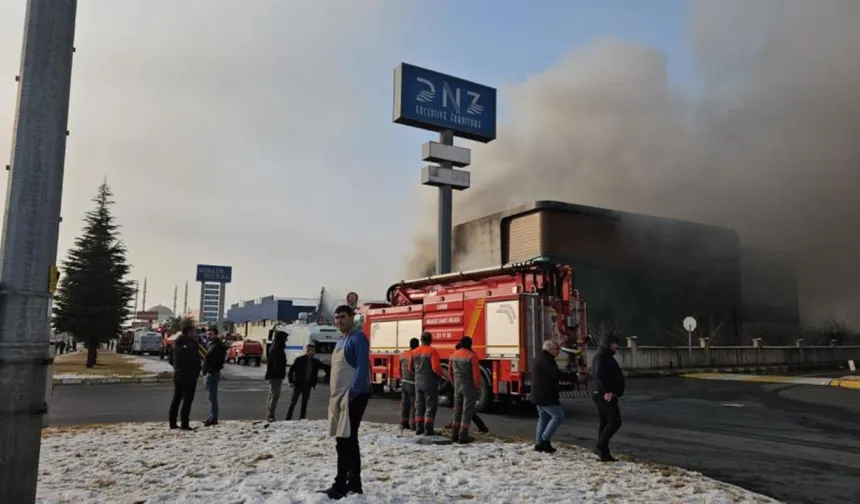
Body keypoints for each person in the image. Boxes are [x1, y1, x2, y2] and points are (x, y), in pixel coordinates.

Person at [322, 305, 371, 500]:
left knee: (344, 441)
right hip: (339, 398)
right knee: (348, 440)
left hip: (351, 397)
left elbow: (362, 368)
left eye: (342, 317)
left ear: (352, 317)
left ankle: (340, 486)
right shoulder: (341, 340)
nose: (339, 321)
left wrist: (352, 393)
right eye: (336, 318)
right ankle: (354, 484)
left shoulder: (358, 338)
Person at [532, 339, 577, 453]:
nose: (557, 352)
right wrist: (572, 377)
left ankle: (539, 443)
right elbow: (555, 374)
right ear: (550, 349)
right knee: (558, 416)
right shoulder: (547, 359)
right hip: (547, 395)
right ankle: (544, 440)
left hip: (538, 395)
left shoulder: (538, 358)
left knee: (543, 418)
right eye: (556, 349)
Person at [591, 333, 625, 462]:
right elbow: (600, 375)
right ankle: (600, 445)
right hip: (603, 394)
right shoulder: (601, 357)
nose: (617, 346)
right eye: (615, 343)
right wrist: (608, 391)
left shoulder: (605, 356)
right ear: (608, 344)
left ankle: (603, 452)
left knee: (605, 422)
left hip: (602, 393)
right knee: (615, 421)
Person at [168, 320, 202, 430]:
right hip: (189, 375)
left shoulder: (175, 343)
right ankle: (184, 423)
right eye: (193, 332)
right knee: (187, 400)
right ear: (189, 333)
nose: (195, 334)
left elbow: (170, 360)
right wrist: (196, 371)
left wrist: (177, 367)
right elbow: (196, 361)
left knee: (176, 399)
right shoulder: (192, 344)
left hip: (178, 374)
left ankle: (172, 423)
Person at [408, 331, 443, 436]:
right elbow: (436, 368)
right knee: (430, 405)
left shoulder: (414, 352)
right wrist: (439, 376)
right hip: (429, 382)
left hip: (418, 382)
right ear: (430, 340)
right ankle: (428, 428)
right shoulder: (432, 351)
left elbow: (410, 368)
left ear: (421, 340)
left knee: (419, 404)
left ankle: (419, 427)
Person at [448, 336, 482, 444]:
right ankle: (463, 435)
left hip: (457, 385)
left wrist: (454, 383)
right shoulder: (472, 356)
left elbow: (450, 372)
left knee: (457, 409)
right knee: (467, 410)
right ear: (470, 345)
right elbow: (476, 375)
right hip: (468, 386)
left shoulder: (453, 355)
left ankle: (454, 433)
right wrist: (477, 387)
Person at [287, 343, 331, 420]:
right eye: (313, 351)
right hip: (298, 384)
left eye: (314, 351)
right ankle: (288, 418)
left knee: (304, 402)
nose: (314, 353)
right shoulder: (299, 360)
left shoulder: (315, 362)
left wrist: (332, 370)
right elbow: (291, 370)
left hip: (308, 385)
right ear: (308, 351)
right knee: (293, 402)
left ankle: (302, 418)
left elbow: (325, 367)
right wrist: (291, 381)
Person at [201, 326, 228, 426]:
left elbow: (219, 361)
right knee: (210, 397)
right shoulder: (210, 344)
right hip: (208, 373)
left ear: (216, 334)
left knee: (212, 397)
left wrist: (210, 371)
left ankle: (213, 418)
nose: (209, 336)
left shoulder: (218, 345)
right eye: (208, 334)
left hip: (212, 374)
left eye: (211, 334)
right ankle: (211, 417)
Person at [264, 330, 288, 422]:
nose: (286, 340)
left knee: (272, 395)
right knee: (274, 396)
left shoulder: (275, 347)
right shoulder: (277, 348)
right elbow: (277, 363)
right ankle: (270, 415)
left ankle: (269, 415)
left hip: (274, 375)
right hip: (275, 376)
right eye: (285, 338)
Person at [398, 337, 420, 430]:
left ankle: (404, 422)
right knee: (414, 404)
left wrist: (402, 378)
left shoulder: (403, 355)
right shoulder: (417, 355)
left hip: (404, 382)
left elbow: (399, 370)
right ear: (418, 345)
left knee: (405, 404)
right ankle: (414, 424)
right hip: (413, 383)